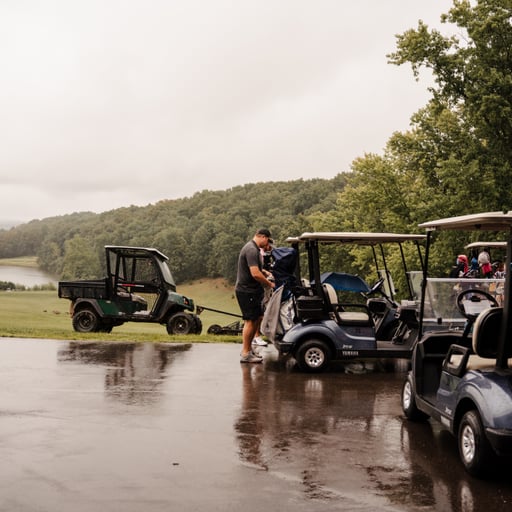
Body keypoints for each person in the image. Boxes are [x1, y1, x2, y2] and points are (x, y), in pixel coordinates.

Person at [235, 229, 276, 363]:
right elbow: (255, 273)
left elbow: (257, 269)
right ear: (263, 237)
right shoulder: (251, 249)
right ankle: (245, 353)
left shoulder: (254, 249)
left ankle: (249, 350)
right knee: (250, 321)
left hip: (253, 290)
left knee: (256, 319)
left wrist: (266, 272)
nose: (267, 244)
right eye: (267, 240)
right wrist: (269, 284)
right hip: (247, 290)